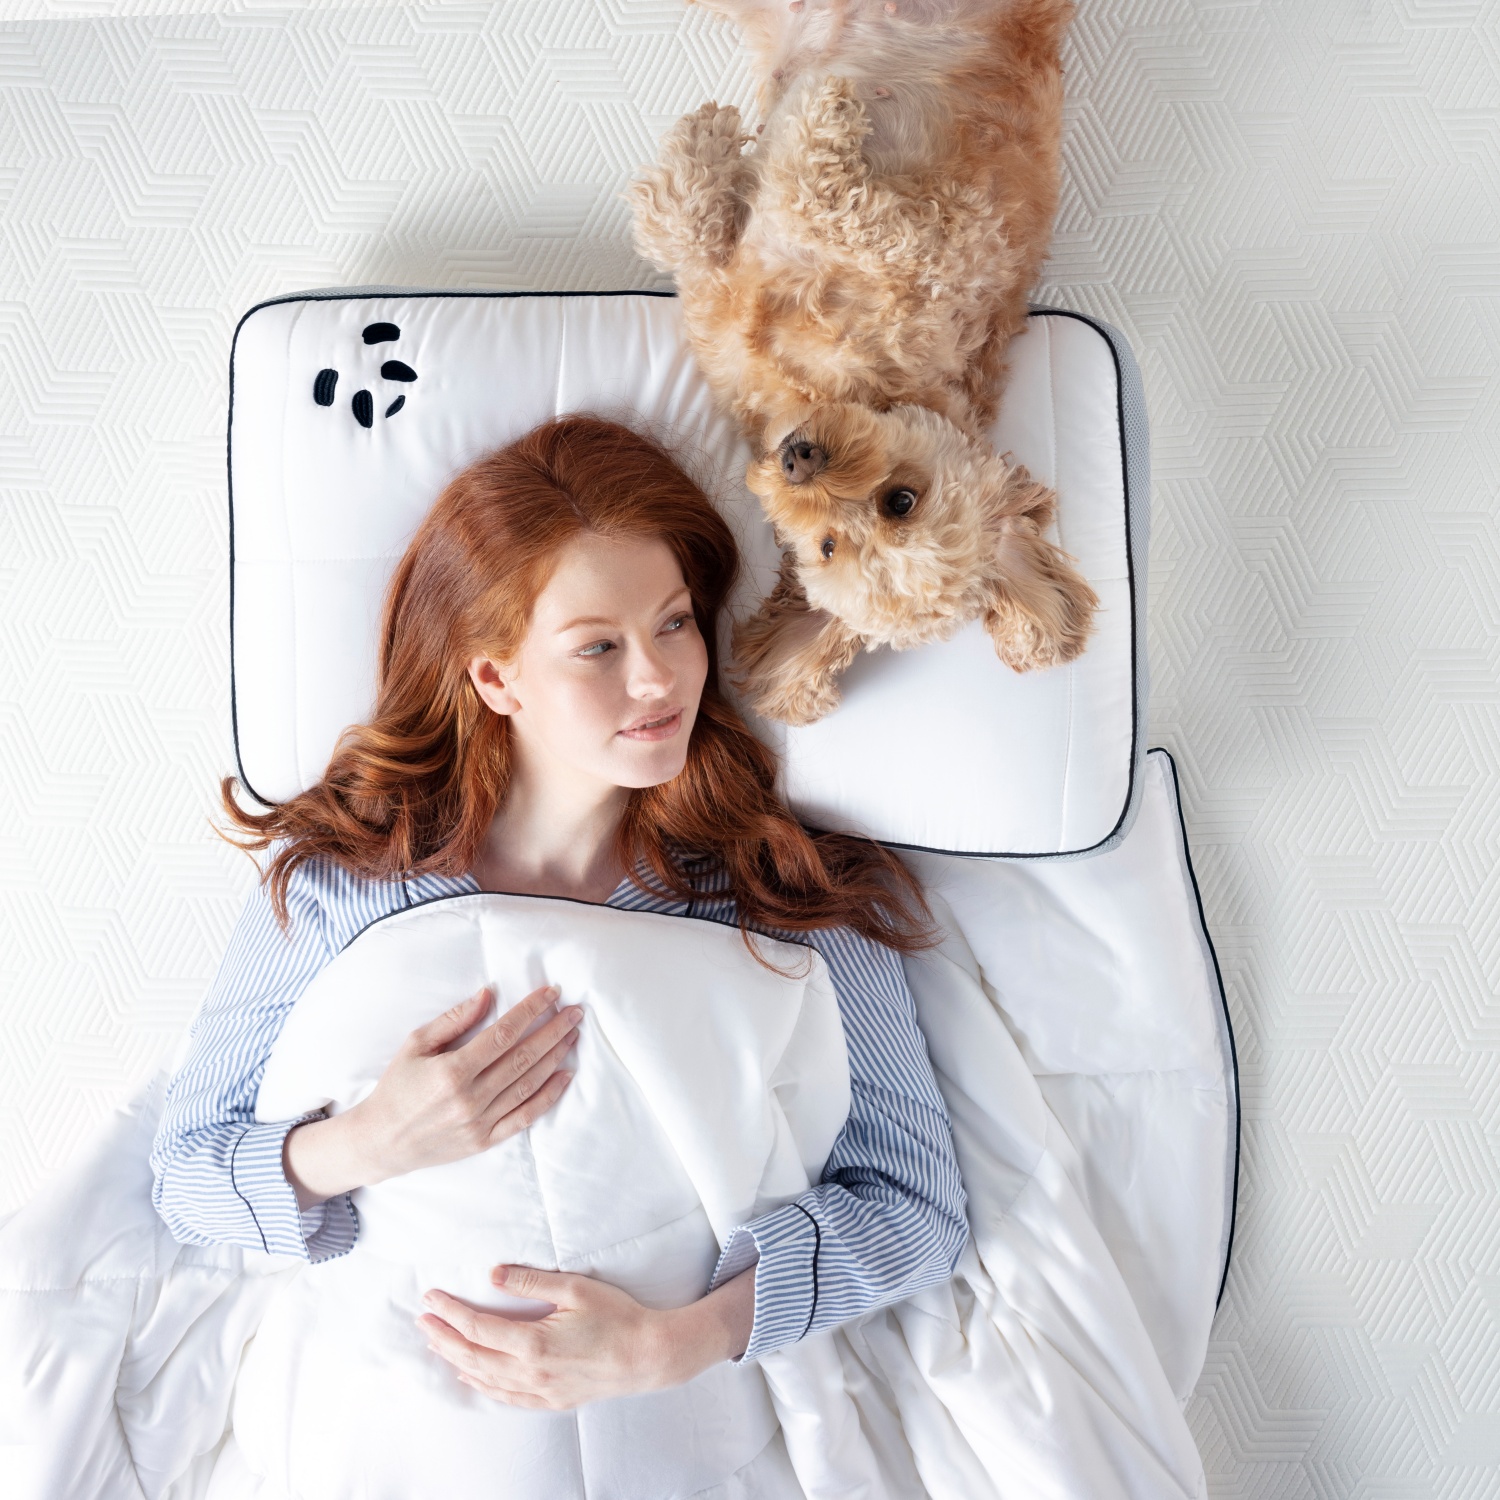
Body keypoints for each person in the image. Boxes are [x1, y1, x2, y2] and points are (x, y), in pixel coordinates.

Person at [151, 414, 966, 1463]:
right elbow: (183, 1178)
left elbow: (914, 1208)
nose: (661, 681)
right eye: (600, 649)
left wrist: (676, 1343)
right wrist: (368, 1144)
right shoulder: (343, 885)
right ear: (497, 678)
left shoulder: (786, 892)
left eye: (675, 625)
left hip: (684, 1442)